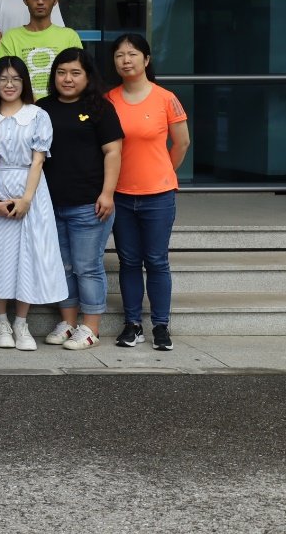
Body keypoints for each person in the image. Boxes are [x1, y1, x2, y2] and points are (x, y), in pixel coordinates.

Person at [106, 33, 190, 352]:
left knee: (156, 261)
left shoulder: (166, 98)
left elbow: (182, 142)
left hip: (158, 195)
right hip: (120, 195)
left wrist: (164, 171)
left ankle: (161, 326)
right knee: (128, 261)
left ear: (146, 59)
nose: (126, 60)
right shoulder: (108, 100)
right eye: (119, 55)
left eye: (132, 54)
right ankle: (133, 324)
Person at [38, 48, 124, 350]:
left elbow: (113, 152)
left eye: (75, 73)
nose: (67, 79)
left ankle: (90, 328)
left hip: (90, 204)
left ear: (87, 77)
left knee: (87, 267)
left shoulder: (100, 108)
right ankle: (68, 323)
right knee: (62, 266)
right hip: (50, 205)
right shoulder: (42, 108)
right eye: (61, 72)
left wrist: (107, 193)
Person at [0, 56, 66, 351]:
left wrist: (26, 200)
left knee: (28, 256)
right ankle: (1, 323)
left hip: (31, 190)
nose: (9, 84)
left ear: (24, 82)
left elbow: (38, 161)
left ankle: (21, 323)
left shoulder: (38, 115)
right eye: (3, 78)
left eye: (16, 78)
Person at [0, 0, 83, 100]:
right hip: (24, 106)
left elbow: (78, 76)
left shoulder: (69, 36)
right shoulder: (11, 37)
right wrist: (33, 104)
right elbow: (3, 78)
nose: (40, 2)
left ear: (55, 1)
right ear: (25, 1)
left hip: (62, 105)